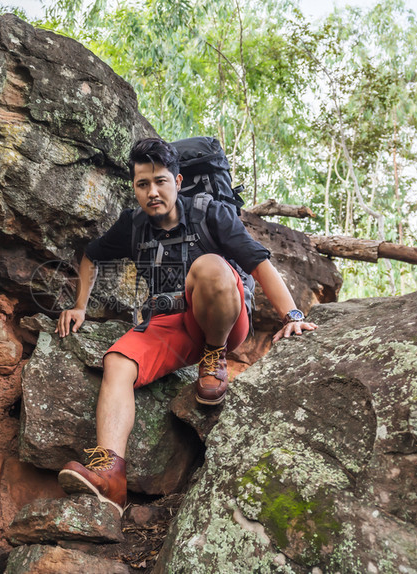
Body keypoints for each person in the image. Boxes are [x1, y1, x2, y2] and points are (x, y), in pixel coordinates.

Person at [55, 137, 317, 517]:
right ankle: (110, 475)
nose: (152, 192)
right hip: (169, 324)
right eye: (143, 184)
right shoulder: (132, 226)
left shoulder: (210, 213)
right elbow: (91, 255)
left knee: (209, 265)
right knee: (117, 361)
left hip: (223, 321)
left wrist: (292, 316)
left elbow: (260, 264)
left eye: (160, 181)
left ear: (177, 181)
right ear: (134, 187)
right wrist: (80, 306)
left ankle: (213, 356)